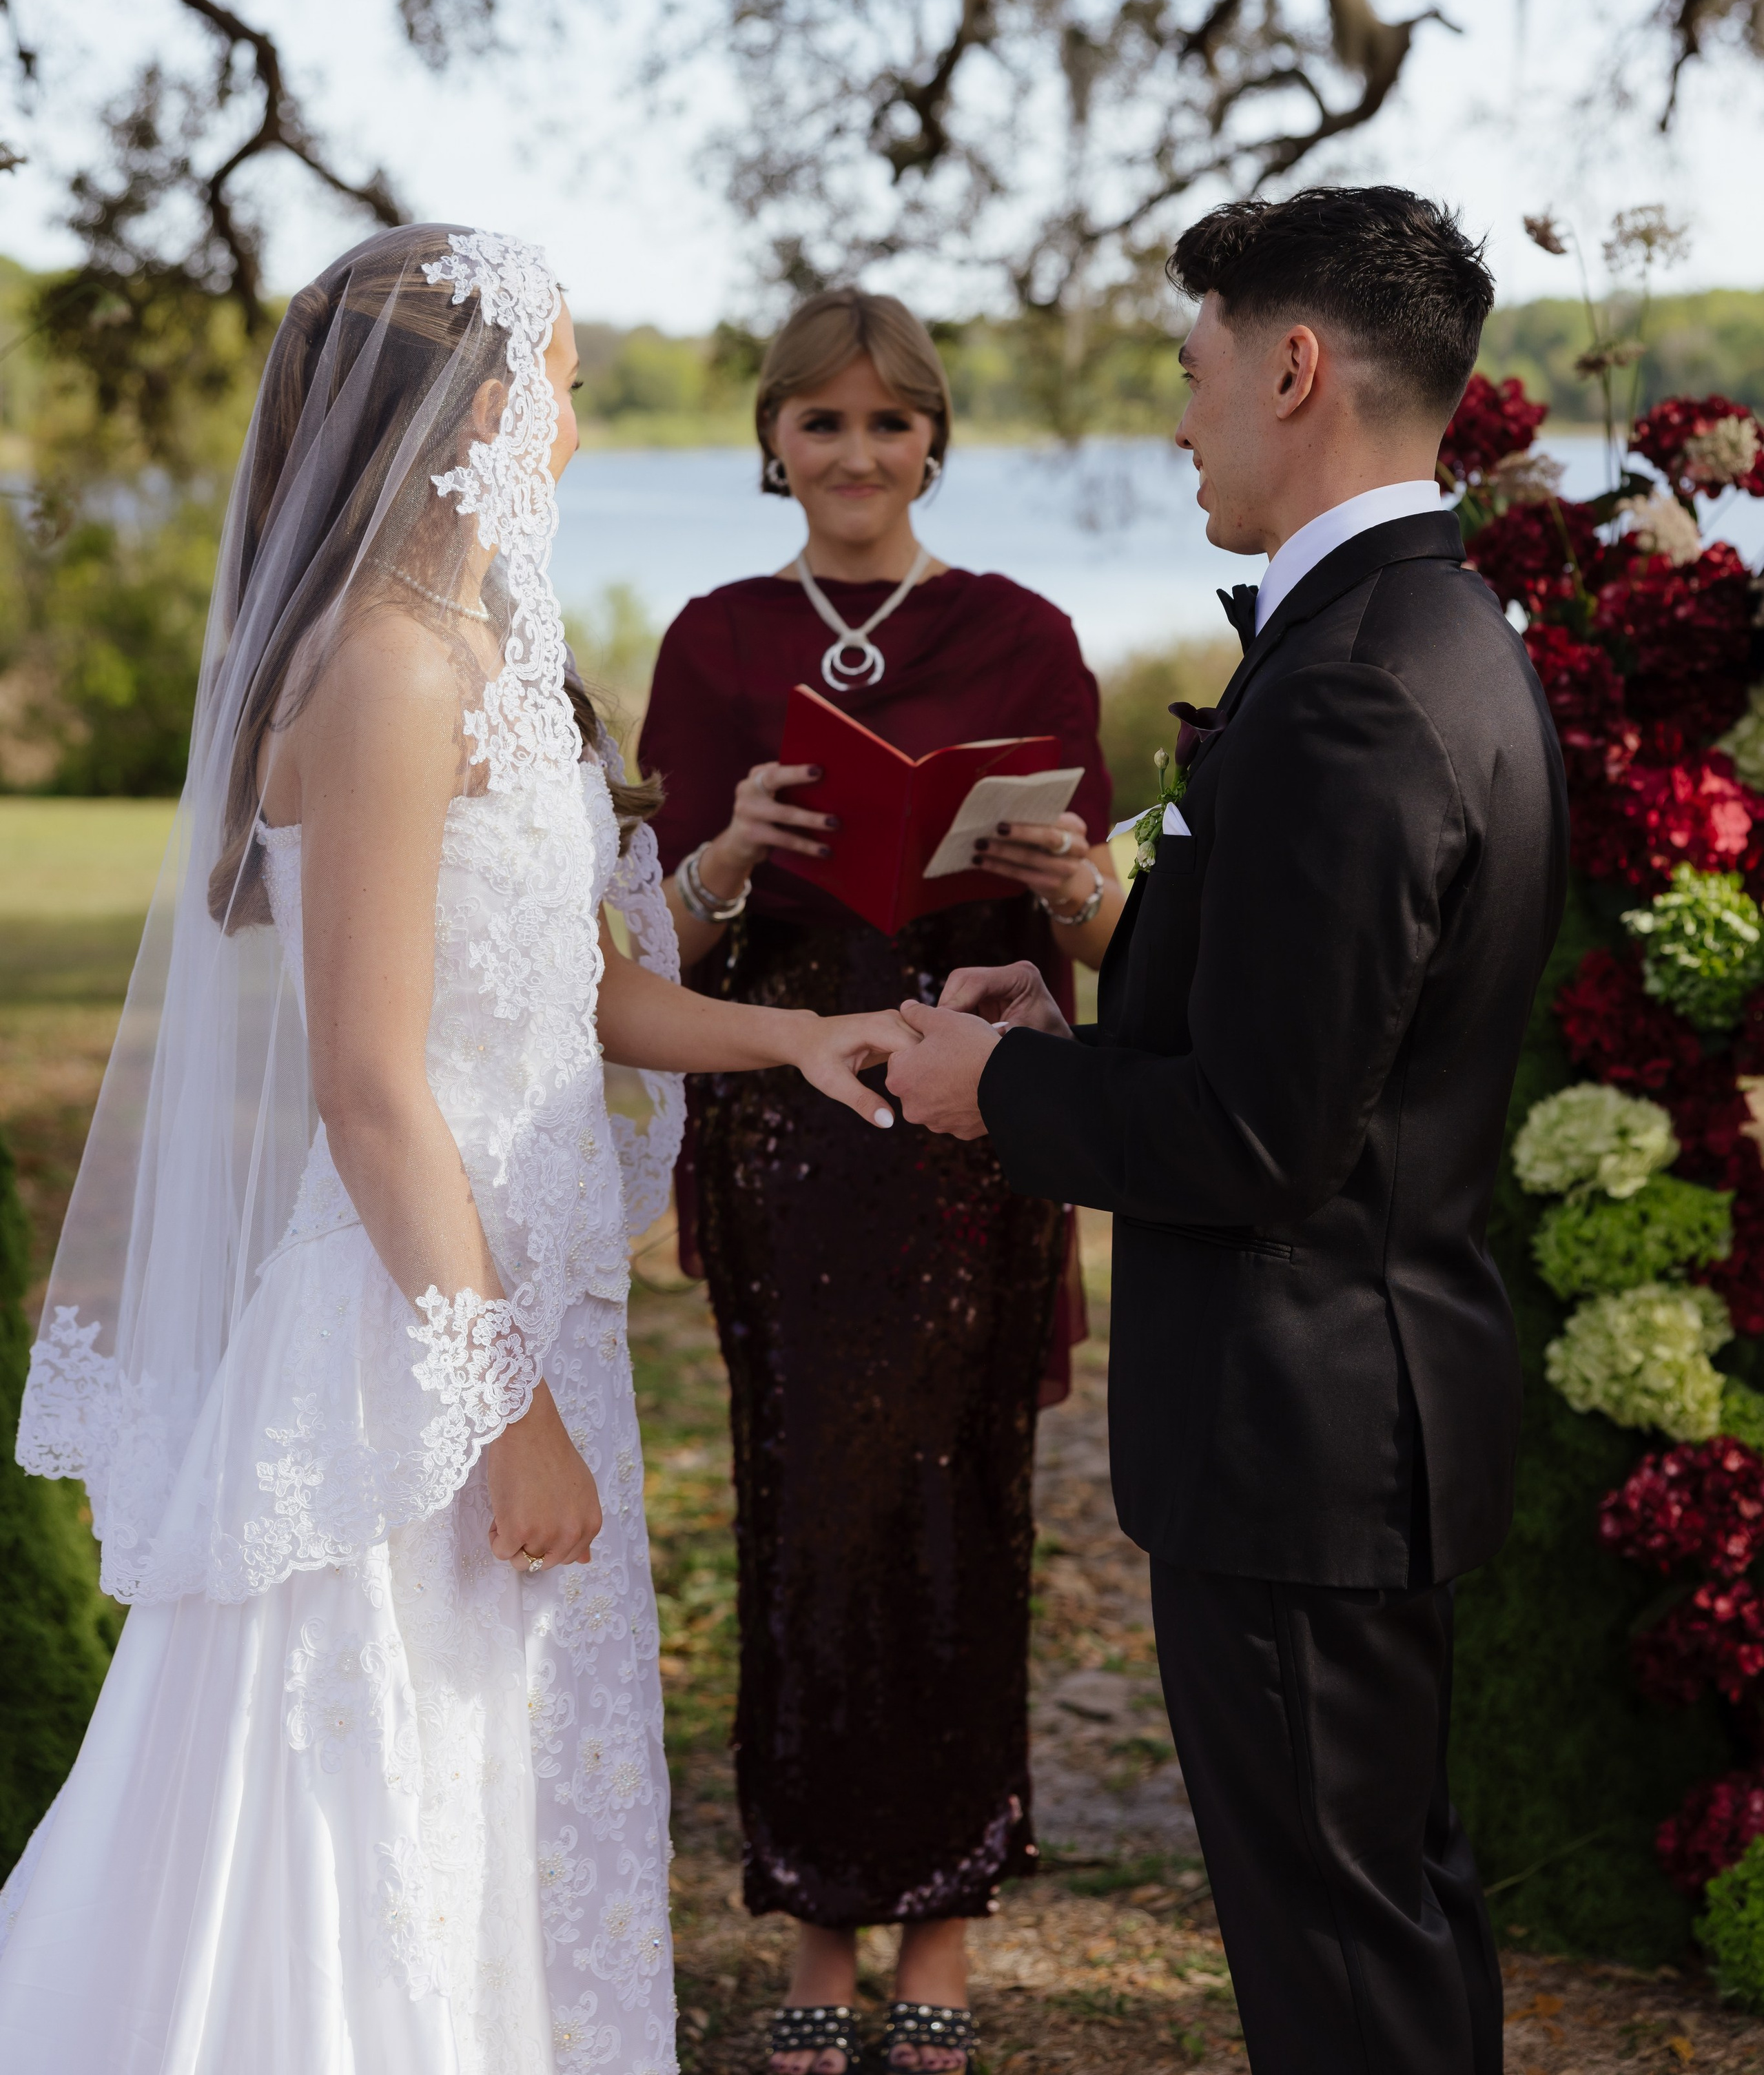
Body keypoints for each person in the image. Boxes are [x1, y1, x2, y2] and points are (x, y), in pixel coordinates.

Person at [0, 226, 912, 2075]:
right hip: (412, 1361)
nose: (575, 425)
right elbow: (367, 1085)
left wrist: (797, 1037)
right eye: (567, 385)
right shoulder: (385, 671)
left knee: (523, 1803)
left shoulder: (486, 653)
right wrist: (507, 1411)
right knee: (390, 1812)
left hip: (519, 1315)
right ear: (489, 406)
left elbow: (573, 993)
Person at [885, 187, 1569, 2075]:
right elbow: (1320, 1031)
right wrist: (1080, 1004)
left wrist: (993, 1089)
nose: (1179, 423)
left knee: (1340, 1951)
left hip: (1304, 1424)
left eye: (1192, 377)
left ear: (1293, 368)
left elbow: (1269, 1138)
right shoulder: (1424, 631)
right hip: (1358, 1402)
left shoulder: (1355, 688)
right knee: (1380, 1910)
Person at [636, 287, 1123, 2075]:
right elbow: (643, 951)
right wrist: (726, 857)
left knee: (960, 1505)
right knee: (804, 1513)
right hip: (785, 1142)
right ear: (773, 441)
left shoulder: (1023, 632)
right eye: (821, 422)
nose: (856, 454)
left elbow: (1080, 924)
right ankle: (814, 1933)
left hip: (962, 1142)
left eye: (890, 422)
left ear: (936, 438)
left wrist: (1072, 886)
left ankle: (947, 1926)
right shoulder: (712, 640)